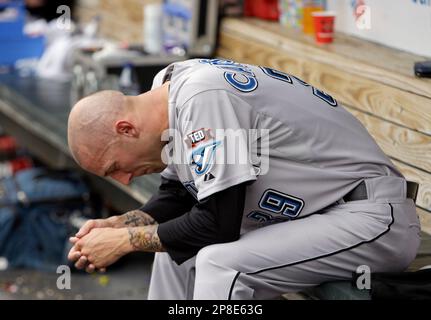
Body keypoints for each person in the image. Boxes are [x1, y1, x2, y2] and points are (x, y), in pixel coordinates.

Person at [67, 58, 421, 300]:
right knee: (176, 253)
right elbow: (179, 192)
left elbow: (219, 223)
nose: (125, 180)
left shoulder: (204, 98)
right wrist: (120, 225)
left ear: (126, 129)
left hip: (370, 218)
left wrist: (126, 241)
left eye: (115, 167)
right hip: (320, 215)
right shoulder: (169, 94)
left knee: (219, 264)